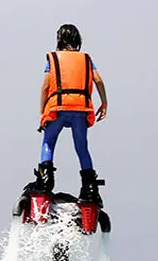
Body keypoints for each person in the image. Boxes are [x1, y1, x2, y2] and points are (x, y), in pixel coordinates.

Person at [34, 23, 109, 204]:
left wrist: (42, 113)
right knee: (82, 148)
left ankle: (45, 182)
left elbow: (46, 86)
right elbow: (98, 80)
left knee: (49, 142)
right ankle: (90, 188)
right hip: (80, 108)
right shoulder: (86, 59)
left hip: (58, 107)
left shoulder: (53, 58)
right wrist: (104, 103)